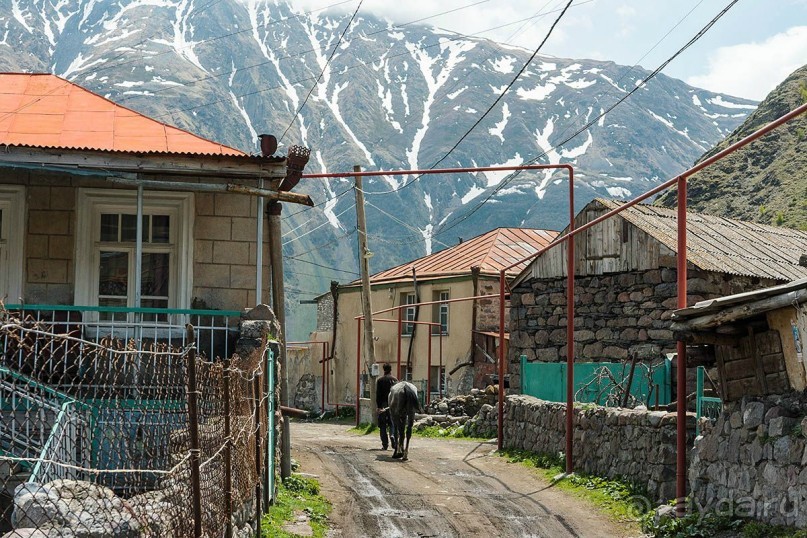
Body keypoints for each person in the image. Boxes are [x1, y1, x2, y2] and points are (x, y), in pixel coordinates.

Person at [375, 363, 398, 450]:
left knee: (382, 424)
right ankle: (392, 435)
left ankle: (385, 444)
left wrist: (378, 406)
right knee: (392, 423)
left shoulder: (380, 380)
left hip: (383, 405)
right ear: (390, 369)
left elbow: (378, 395)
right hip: (393, 405)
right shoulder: (395, 380)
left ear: (383, 369)